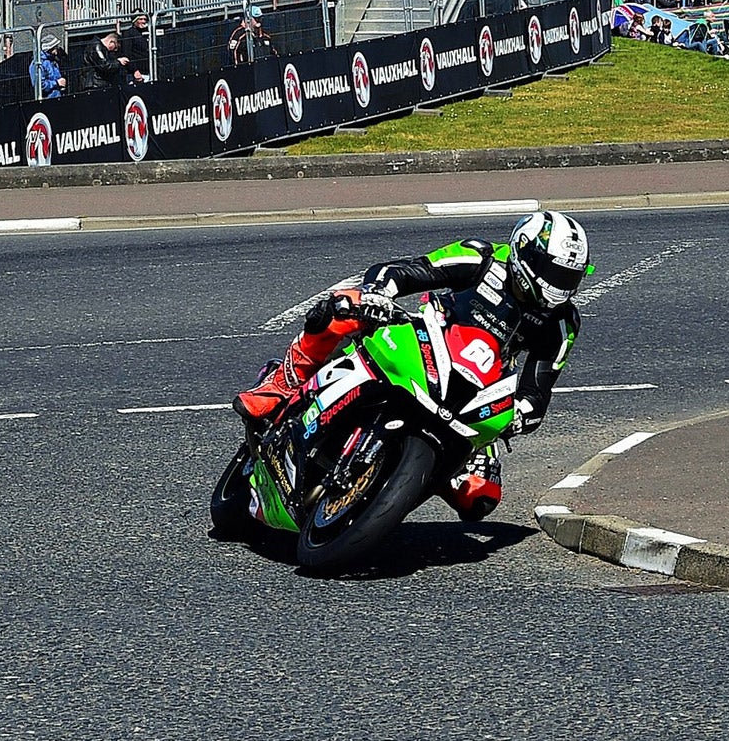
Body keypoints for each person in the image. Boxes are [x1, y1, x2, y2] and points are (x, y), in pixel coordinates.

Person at [233, 211, 593, 520]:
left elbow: (538, 389)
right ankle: (280, 384)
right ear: (523, 253)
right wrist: (379, 293)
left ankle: (398, 488)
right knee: (344, 308)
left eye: (570, 278)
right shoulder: (480, 257)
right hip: (421, 340)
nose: (560, 287)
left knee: (479, 497)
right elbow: (404, 272)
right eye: (555, 273)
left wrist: (519, 416)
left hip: (476, 390)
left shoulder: (562, 323)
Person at [30, 33, 67, 100]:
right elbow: (39, 85)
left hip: (57, 97)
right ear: (49, 49)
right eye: (55, 48)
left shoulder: (52, 60)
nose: (56, 52)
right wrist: (57, 83)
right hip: (47, 100)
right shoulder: (39, 63)